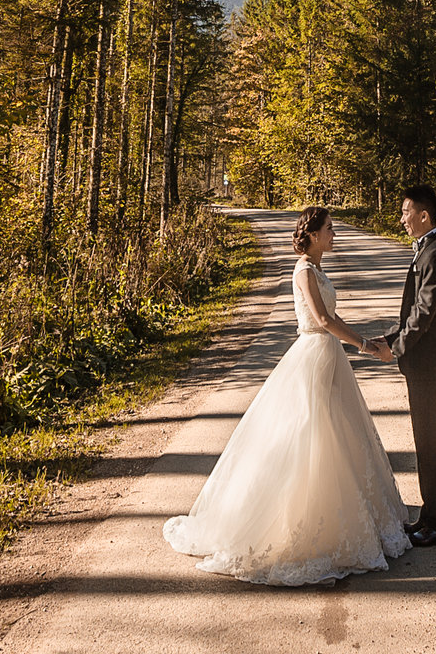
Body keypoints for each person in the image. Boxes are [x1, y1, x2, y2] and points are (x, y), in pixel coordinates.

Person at [162, 207, 412, 584]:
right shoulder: (304, 270)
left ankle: (346, 511)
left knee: (337, 433)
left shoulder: (319, 267)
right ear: (311, 234)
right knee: (308, 433)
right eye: (328, 229)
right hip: (312, 354)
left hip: (329, 357)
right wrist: (364, 344)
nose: (333, 234)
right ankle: (299, 521)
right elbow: (324, 321)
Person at [363, 185, 436, 545]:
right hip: (422, 363)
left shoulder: (435, 253)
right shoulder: (427, 250)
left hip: (429, 364)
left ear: (424, 216)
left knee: (431, 443)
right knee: (425, 441)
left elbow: (425, 314)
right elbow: (412, 313)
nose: (402, 219)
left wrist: (396, 348)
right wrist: (389, 339)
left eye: (406, 212)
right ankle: (429, 515)